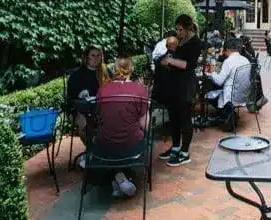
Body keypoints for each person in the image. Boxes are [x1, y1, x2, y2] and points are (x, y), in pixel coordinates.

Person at [96, 56, 148, 198]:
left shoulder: (103, 90)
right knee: (137, 135)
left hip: (105, 147)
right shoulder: (139, 90)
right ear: (131, 69)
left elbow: (99, 118)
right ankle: (123, 177)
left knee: (112, 137)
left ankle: (118, 177)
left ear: (114, 69)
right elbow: (144, 124)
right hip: (133, 148)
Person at [156, 14, 201, 167]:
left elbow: (188, 65)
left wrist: (170, 61)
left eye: (180, 29)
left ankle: (184, 152)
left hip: (186, 85)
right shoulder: (181, 41)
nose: (178, 32)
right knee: (173, 117)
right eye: (177, 29)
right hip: (175, 83)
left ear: (188, 28)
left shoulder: (195, 43)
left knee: (185, 118)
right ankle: (175, 147)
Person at [67, 45, 110, 143]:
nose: (96, 58)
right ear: (87, 57)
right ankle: (90, 150)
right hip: (79, 110)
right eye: (93, 55)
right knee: (84, 122)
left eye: (98, 55)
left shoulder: (106, 71)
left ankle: (107, 149)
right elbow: (70, 100)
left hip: (102, 108)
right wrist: (79, 94)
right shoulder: (76, 75)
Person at [206, 37, 250, 124]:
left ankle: (225, 114)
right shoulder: (245, 60)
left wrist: (211, 73)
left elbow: (219, 81)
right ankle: (227, 114)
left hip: (231, 97)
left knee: (208, 93)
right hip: (244, 95)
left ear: (228, 49)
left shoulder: (228, 61)